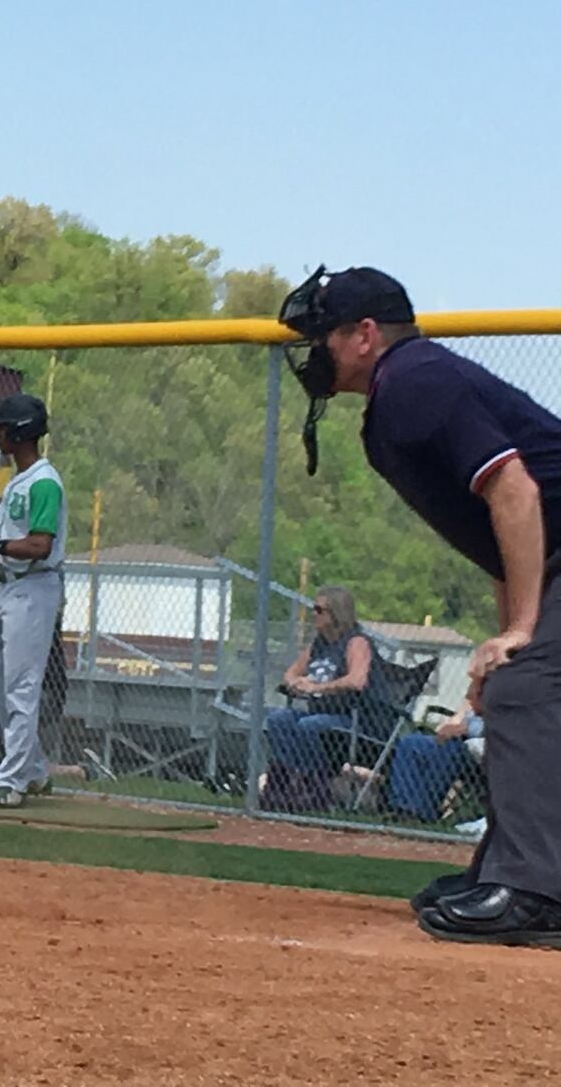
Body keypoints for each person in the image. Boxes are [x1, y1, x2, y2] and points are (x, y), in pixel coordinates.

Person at [281, 265, 561, 946]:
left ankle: (533, 893)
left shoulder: (413, 381)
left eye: (323, 335)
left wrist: (522, 630)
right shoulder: (402, 390)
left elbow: (516, 494)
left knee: (523, 687)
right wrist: (507, 636)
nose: (313, 351)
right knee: (510, 686)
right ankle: (510, 871)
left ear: (365, 335)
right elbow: (501, 539)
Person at [0, 393, 67, 807]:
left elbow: (40, 544)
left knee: (21, 688)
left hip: (35, 589)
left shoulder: (43, 481)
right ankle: (34, 771)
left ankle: (12, 783)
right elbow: (11, 543)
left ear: (20, 432)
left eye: (2, 428)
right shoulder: (20, 480)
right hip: (10, 588)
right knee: (5, 688)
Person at [261, 585, 392, 811]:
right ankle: (289, 784)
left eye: (318, 609)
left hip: (357, 720)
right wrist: (296, 683)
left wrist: (317, 687)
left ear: (336, 614)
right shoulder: (318, 643)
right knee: (278, 719)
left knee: (310, 725)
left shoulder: (356, 642)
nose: (314, 614)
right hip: (322, 715)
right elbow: (291, 673)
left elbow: (357, 680)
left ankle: (315, 787)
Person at [389, 697, 486, 823]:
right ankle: (403, 808)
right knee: (410, 743)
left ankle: (422, 814)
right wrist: (452, 726)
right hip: (461, 740)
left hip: (487, 751)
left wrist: (468, 728)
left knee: (448, 750)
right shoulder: (485, 687)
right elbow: (464, 710)